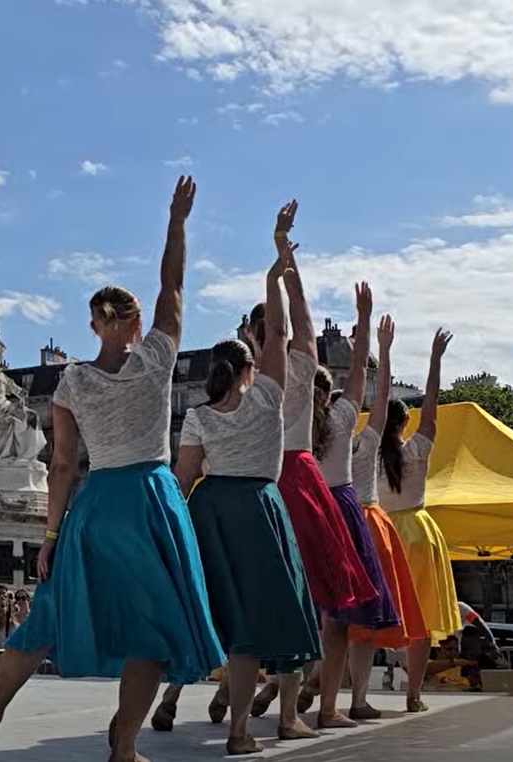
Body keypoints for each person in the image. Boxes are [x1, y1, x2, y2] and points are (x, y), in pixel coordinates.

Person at [0, 177, 223, 762]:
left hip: (95, 504)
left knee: (49, 613)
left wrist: (50, 535)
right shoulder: (156, 358)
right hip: (151, 498)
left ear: (94, 326)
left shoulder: (71, 382)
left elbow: (61, 467)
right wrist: (176, 223)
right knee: (152, 633)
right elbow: (172, 285)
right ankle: (123, 745)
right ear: (133, 323)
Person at [164, 211, 324, 755]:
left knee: (219, 611)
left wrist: (173, 527)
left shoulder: (201, 415)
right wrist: (274, 273)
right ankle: (266, 726)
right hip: (258, 507)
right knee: (272, 612)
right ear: (252, 366)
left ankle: (201, 712)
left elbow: (182, 478)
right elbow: (281, 330)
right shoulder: (269, 396)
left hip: (210, 509)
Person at [242, 209, 378, 727]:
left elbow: (283, 324)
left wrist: (276, 267)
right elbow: (300, 322)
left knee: (258, 601)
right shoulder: (299, 370)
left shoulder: (244, 385)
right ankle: (320, 709)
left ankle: (228, 705)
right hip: (300, 482)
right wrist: (286, 263)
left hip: (256, 484)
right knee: (330, 604)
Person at [308, 284, 400, 723]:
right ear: (330, 394)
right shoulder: (347, 421)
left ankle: (274, 691)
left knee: (301, 607)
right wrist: (365, 325)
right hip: (344, 509)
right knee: (341, 617)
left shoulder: (289, 422)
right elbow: (371, 387)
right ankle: (330, 705)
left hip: (303, 506)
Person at [350, 315, 428, 708]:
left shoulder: (343, 446)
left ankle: (306, 685)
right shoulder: (377, 443)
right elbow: (384, 399)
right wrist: (388, 349)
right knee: (411, 619)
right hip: (392, 528)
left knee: (333, 621)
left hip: (343, 523)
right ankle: (409, 696)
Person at [378, 326, 457, 713]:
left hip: (381, 530)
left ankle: (323, 684)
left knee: (365, 616)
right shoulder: (419, 449)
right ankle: (413, 695)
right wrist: (435, 359)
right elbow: (432, 408)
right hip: (416, 530)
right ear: (405, 422)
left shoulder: (366, 457)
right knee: (422, 618)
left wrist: (383, 350)